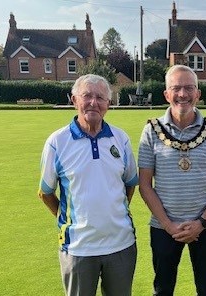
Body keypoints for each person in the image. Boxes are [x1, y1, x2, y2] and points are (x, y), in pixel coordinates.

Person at [38, 74, 138, 296]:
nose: (94, 102)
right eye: (87, 96)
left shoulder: (120, 139)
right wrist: (72, 220)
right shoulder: (57, 142)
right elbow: (45, 193)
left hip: (121, 244)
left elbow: (130, 184)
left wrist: (111, 212)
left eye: (101, 97)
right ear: (74, 100)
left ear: (108, 105)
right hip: (78, 248)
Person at [138, 65, 206, 296]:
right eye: (176, 88)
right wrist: (169, 225)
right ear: (166, 94)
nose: (182, 94)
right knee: (162, 289)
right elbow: (145, 185)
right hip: (163, 227)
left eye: (189, 88)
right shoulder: (151, 130)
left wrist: (201, 222)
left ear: (198, 93)